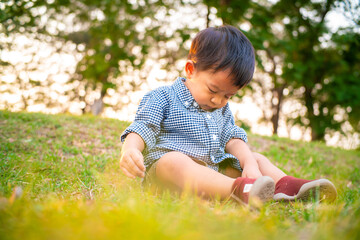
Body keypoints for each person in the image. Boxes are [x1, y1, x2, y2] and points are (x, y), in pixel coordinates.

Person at [119, 25, 337, 206]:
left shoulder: (220, 108)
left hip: (212, 171)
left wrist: (249, 163)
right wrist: (130, 149)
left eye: (228, 95)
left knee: (254, 158)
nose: (218, 101)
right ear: (190, 70)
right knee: (174, 161)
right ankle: (238, 191)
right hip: (168, 176)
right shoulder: (162, 97)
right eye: (213, 90)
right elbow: (143, 127)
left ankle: (285, 186)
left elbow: (231, 137)